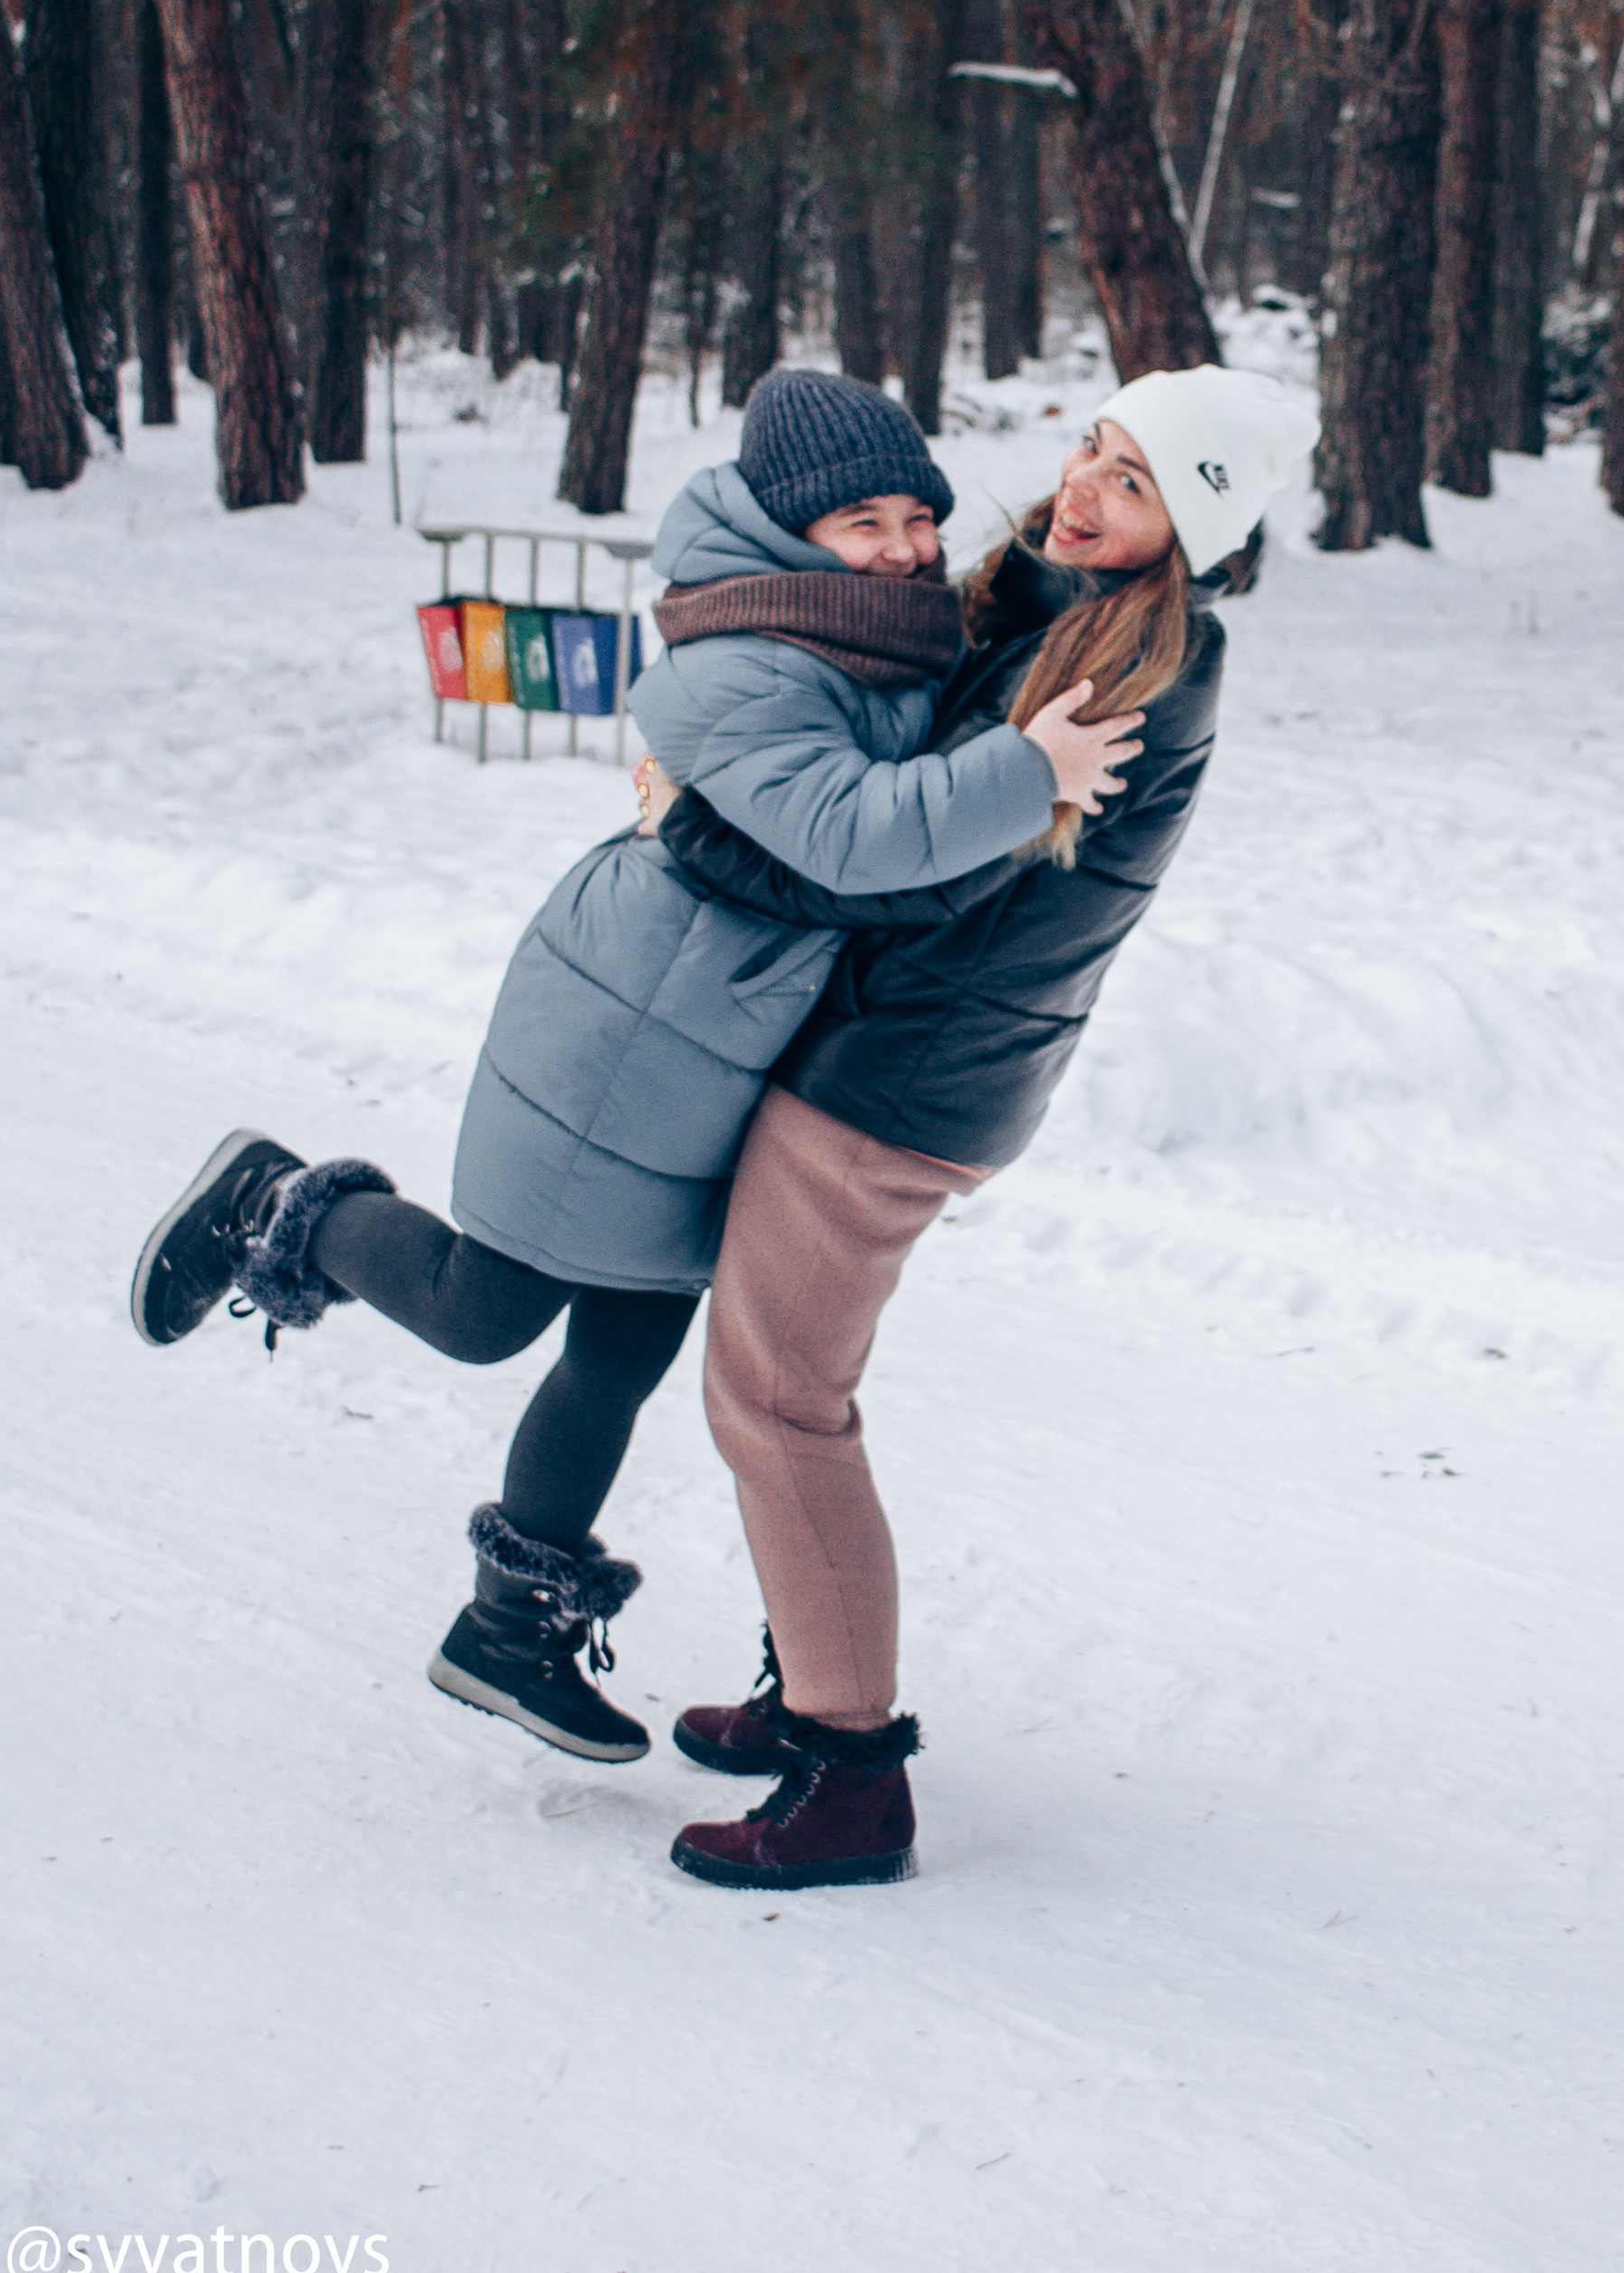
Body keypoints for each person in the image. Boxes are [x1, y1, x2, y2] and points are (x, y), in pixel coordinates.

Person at [127, 370, 1138, 1770]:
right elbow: (852, 839)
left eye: (920, 515)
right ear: (792, 528)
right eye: (865, 520)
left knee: (627, 1346)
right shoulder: (748, 657)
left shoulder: (870, 626)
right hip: (622, 1038)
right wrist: (1029, 774)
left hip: (712, 1056)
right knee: (488, 1312)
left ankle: (507, 1628)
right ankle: (278, 1202)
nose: (906, 547)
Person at [643, 365, 1317, 1890]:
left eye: (1135, 483)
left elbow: (926, 869)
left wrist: (698, 827)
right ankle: (804, 1678)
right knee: (775, 1389)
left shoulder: (1132, 670)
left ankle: (849, 1776)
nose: (1083, 485)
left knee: (779, 1401)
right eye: (1095, 444)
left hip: (908, 1072)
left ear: (1193, 533)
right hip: (893, 1043)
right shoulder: (1035, 594)